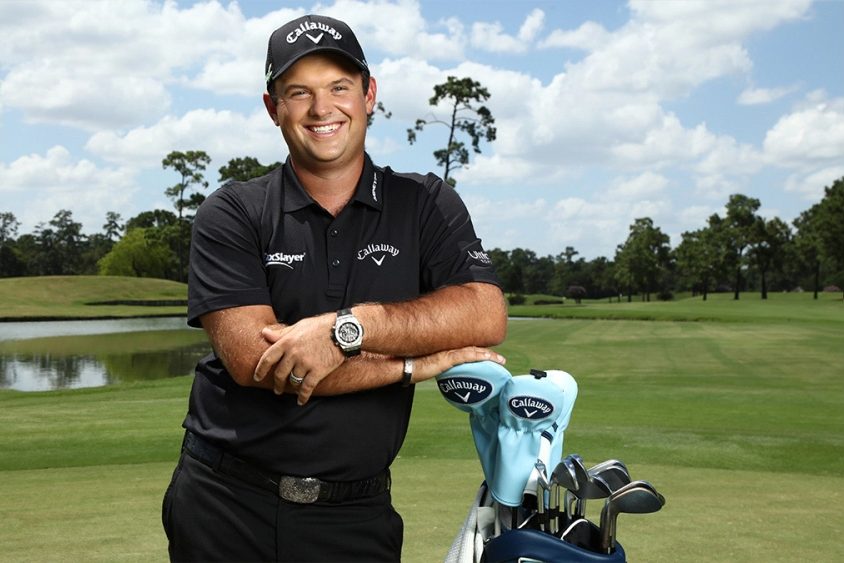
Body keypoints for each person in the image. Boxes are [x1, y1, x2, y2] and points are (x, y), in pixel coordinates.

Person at [161, 13, 508, 563]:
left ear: (369, 95)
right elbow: (259, 362)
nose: (322, 110)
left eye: (339, 87)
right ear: (273, 108)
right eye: (299, 92)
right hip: (224, 504)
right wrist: (410, 366)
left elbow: (484, 312)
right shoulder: (233, 211)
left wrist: (345, 329)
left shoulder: (424, 203)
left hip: (355, 513)